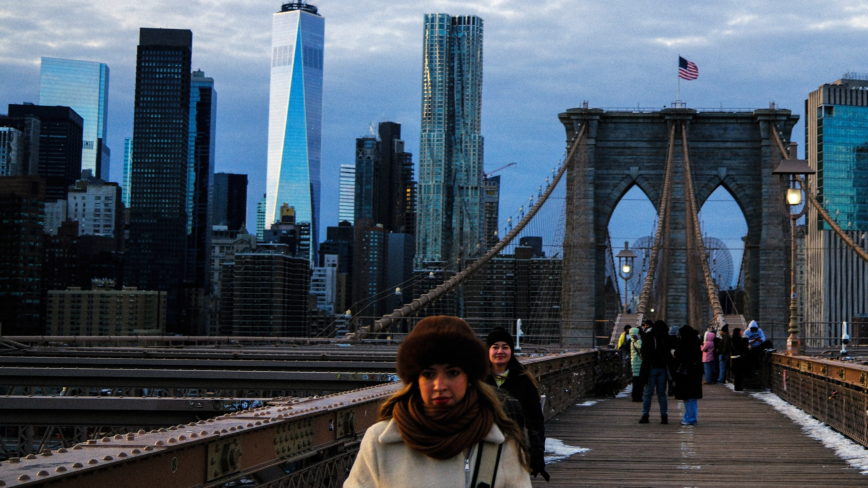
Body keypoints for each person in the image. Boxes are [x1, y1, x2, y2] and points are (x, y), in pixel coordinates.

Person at [345, 316, 531, 488]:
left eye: (452, 373)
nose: (439, 385)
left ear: (470, 377)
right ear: (415, 379)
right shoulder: (379, 442)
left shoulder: (501, 442)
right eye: (428, 374)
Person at [485, 326, 549, 482]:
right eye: (495, 347)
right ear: (488, 351)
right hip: (483, 448)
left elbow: (535, 420)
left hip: (513, 449)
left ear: (511, 351)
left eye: (505, 347)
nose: (500, 351)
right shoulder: (478, 380)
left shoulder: (523, 381)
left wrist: (537, 451)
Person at [639, 320, 672, 424]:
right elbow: (668, 353)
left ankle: (645, 415)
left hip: (651, 368)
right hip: (662, 368)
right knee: (661, 393)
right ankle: (664, 416)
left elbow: (643, 352)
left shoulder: (648, 336)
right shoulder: (665, 336)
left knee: (648, 393)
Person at [673, 324, 703, 425]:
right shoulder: (696, 342)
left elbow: (680, 356)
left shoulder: (684, 343)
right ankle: (689, 416)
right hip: (694, 373)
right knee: (691, 397)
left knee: (687, 396)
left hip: (686, 373)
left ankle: (691, 418)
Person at [629, 327, 644, 402]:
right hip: (637, 364)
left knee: (636, 381)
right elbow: (641, 346)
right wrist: (638, 339)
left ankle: (636, 395)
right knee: (638, 382)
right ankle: (637, 396)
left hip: (636, 364)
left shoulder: (633, 342)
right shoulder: (635, 342)